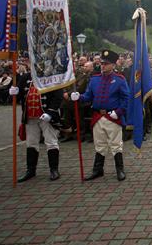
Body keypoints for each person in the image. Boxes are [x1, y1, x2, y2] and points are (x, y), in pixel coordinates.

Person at [69, 50, 130, 181]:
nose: (103, 65)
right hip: (97, 116)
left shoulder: (120, 80)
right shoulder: (94, 79)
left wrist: (118, 112)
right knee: (99, 144)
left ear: (113, 65)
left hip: (113, 116)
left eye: (106, 64)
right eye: (102, 63)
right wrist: (78, 97)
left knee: (116, 145)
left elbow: (126, 99)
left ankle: (120, 169)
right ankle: (98, 170)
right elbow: (88, 96)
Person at [10, 79, 65, 182]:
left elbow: (58, 96)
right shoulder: (25, 78)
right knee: (31, 143)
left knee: (51, 142)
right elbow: (19, 96)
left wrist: (50, 112)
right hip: (30, 117)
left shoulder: (52, 77)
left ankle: (54, 170)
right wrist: (14, 92)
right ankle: (30, 170)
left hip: (46, 116)